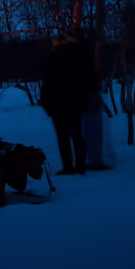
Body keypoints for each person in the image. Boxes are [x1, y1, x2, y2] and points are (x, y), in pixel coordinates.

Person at [40, 30, 97, 175]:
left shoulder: (57, 58)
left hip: (61, 104)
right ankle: (78, 166)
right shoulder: (75, 57)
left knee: (65, 136)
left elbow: (48, 82)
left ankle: (70, 166)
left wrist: (46, 102)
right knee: (74, 135)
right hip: (71, 103)